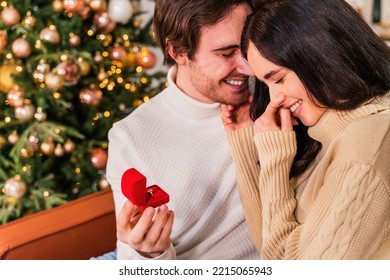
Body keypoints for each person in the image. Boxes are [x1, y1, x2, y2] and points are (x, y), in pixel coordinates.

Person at [221, 0, 390, 259]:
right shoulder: (324, 135)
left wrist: (276, 163)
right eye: (266, 85)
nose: (276, 97)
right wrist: (247, 138)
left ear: (320, 55)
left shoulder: (365, 146)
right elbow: (272, 250)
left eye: (279, 79)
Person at [106, 0, 260, 260]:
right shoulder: (130, 137)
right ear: (177, 51)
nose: (248, 67)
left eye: (248, 47)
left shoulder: (277, 92)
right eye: (226, 53)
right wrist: (150, 253)